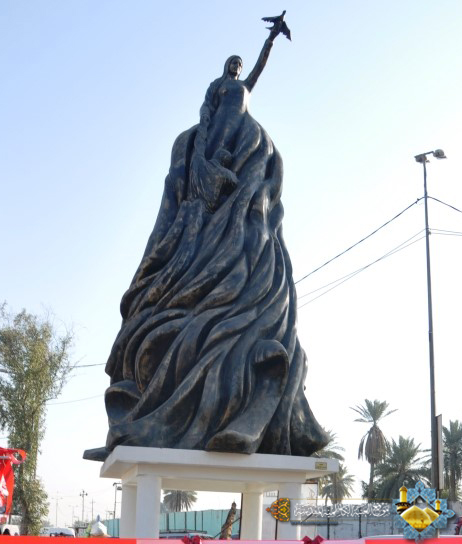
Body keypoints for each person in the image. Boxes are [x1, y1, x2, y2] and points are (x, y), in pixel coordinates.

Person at [85, 24, 327, 461]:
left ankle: (251, 411)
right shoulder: (193, 140)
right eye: (233, 64)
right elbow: (172, 206)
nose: (237, 69)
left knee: (247, 319)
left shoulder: (259, 145)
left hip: (244, 277)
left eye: (239, 65)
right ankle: (149, 418)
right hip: (193, 249)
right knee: (158, 327)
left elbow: (258, 70)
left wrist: (271, 40)